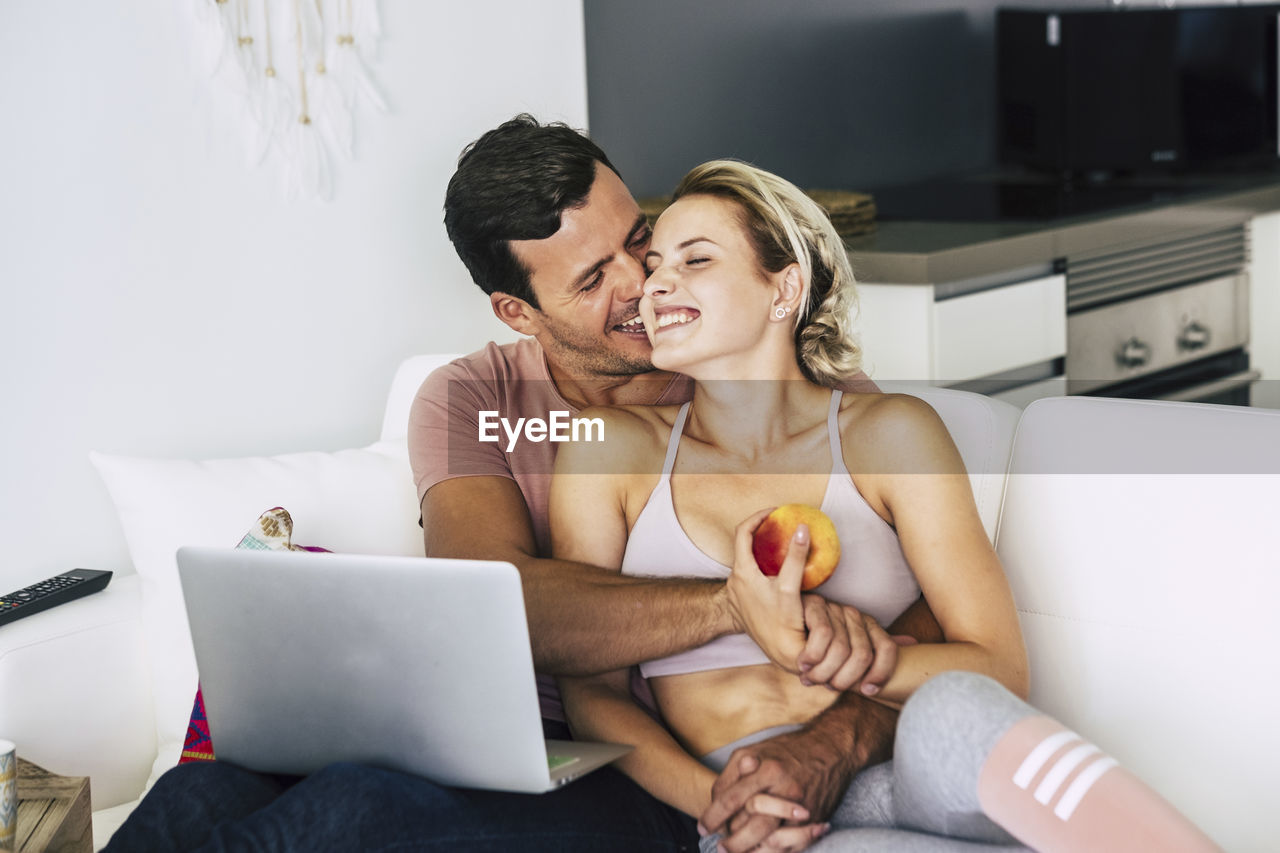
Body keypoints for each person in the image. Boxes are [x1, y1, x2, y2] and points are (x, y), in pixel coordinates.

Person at [103, 116, 933, 852]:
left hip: (650, 772)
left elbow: (938, 602)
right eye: (589, 279)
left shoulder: (756, 366)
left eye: (636, 238)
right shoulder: (474, 398)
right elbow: (507, 605)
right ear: (517, 311)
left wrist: (838, 741)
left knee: (355, 811)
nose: (642, 284)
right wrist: (729, 601)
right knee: (198, 789)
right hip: (506, 740)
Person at [550, 159, 1222, 853]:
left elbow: (998, 665)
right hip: (755, 810)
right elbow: (591, 692)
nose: (656, 284)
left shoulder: (891, 432)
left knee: (954, 708)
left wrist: (872, 661)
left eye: (696, 260)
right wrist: (723, 807)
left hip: (911, 766)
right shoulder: (612, 452)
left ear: (784, 288)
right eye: (655, 263)